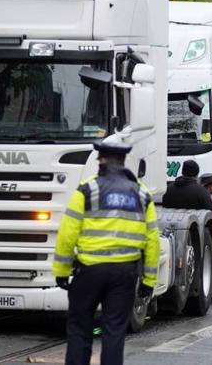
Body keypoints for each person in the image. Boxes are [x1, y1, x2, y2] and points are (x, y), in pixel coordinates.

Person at [53, 141, 159, 365]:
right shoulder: (142, 194)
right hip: (124, 275)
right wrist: (149, 280)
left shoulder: (87, 189)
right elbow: (152, 241)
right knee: (114, 333)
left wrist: (61, 271)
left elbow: (67, 234)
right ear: (122, 162)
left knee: (79, 330)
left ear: (101, 161)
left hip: (89, 271)